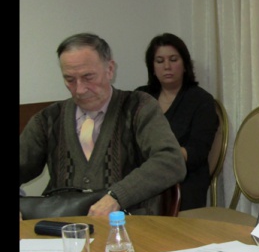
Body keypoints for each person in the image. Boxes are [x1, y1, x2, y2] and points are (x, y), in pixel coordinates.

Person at [20, 33, 186, 217]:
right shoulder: (47, 119)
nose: (80, 89)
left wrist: (117, 196)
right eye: (70, 79)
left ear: (110, 69)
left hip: (128, 225)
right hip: (64, 227)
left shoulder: (139, 107)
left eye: (88, 77)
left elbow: (171, 161)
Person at [136, 33, 218, 211]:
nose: (167, 66)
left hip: (184, 180)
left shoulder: (201, 100)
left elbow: (198, 151)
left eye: (173, 59)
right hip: (143, 176)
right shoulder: (141, 97)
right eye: (159, 61)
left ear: (185, 64)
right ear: (152, 67)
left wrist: (161, 157)